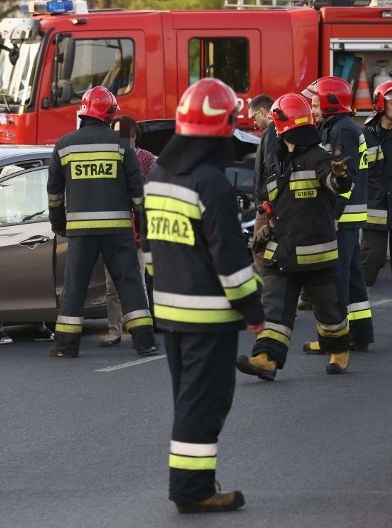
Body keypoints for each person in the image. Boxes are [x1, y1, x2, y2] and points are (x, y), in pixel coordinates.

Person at [142, 78, 264, 513]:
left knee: (188, 399)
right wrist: (253, 310)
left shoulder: (158, 174)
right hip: (209, 317)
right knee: (204, 402)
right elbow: (229, 259)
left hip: (172, 312)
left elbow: (152, 251)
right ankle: (194, 491)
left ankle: (197, 481)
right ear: (223, 126)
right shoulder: (210, 182)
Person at [237, 93, 352, 381]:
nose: (274, 128)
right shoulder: (279, 162)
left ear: (287, 124)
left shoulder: (319, 158)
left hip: (315, 253)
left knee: (329, 312)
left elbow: (334, 180)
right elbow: (276, 203)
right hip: (284, 250)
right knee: (275, 307)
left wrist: (340, 176)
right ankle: (265, 359)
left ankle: (338, 350)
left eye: (277, 122)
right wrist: (265, 227)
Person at [47, 86, 157, 358]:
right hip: (118, 231)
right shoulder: (122, 145)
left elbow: (54, 195)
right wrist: (142, 228)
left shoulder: (64, 145)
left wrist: (58, 224)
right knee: (130, 283)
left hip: (81, 233)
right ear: (109, 114)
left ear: (83, 112)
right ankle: (144, 342)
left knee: (75, 287)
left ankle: (66, 346)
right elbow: (137, 193)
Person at [301, 75, 373, 359]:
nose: (313, 109)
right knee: (353, 277)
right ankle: (360, 333)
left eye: (317, 104)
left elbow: (348, 178)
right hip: (350, 216)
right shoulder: (341, 127)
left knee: (336, 280)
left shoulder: (341, 131)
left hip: (342, 217)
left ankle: (335, 339)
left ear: (331, 104)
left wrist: (333, 213)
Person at [101, 115, 156, 347]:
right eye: (115, 132)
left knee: (138, 281)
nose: (120, 137)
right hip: (114, 228)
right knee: (111, 285)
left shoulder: (145, 158)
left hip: (137, 229)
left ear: (134, 134)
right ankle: (114, 331)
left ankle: (142, 329)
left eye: (124, 133)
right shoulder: (109, 157)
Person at [0, 164, 55, 344]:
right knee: (1, 281)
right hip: (2, 254)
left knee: (37, 279)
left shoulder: (28, 203)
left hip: (24, 252)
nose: (21, 190)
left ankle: (40, 325)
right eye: (17, 185)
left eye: (23, 185)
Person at [360, 80, 392, 296]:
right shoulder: (365, 136)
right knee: (372, 256)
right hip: (375, 208)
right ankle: (360, 297)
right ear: (381, 103)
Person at [247, 94, 281, 273]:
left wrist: (269, 208)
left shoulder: (270, 134)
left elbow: (270, 171)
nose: (254, 122)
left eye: (254, 117)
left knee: (259, 251)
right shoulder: (276, 132)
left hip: (268, 206)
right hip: (271, 205)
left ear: (262, 112)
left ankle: (268, 295)